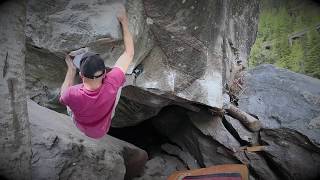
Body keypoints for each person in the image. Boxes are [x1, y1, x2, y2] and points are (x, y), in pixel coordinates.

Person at [59, 6, 134, 139]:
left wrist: (71, 71)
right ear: (105, 73)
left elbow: (63, 96)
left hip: (82, 125)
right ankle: (131, 78)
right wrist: (124, 21)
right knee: (117, 86)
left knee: (71, 108)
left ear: (81, 75)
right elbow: (129, 53)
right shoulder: (112, 81)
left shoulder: (71, 93)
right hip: (102, 127)